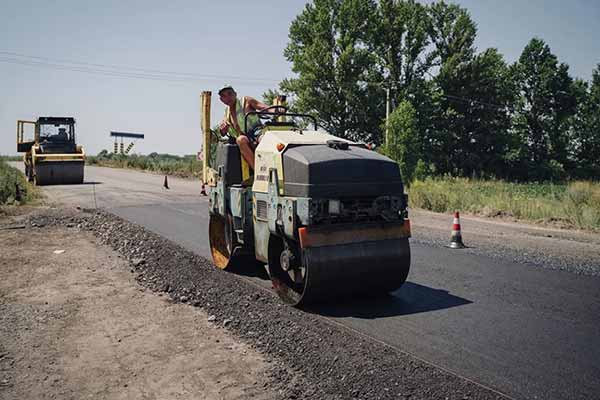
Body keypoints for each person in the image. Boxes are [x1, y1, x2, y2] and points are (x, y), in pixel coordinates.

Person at [218, 85, 270, 170]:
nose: (228, 98)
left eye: (230, 94)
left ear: (235, 94)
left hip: (257, 131)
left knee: (265, 139)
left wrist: (277, 110)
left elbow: (264, 107)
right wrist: (223, 129)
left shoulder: (246, 101)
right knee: (240, 140)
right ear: (221, 100)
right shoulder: (226, 113)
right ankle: (258, 172)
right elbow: (223, 132)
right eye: (224, 96)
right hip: (245, 137)